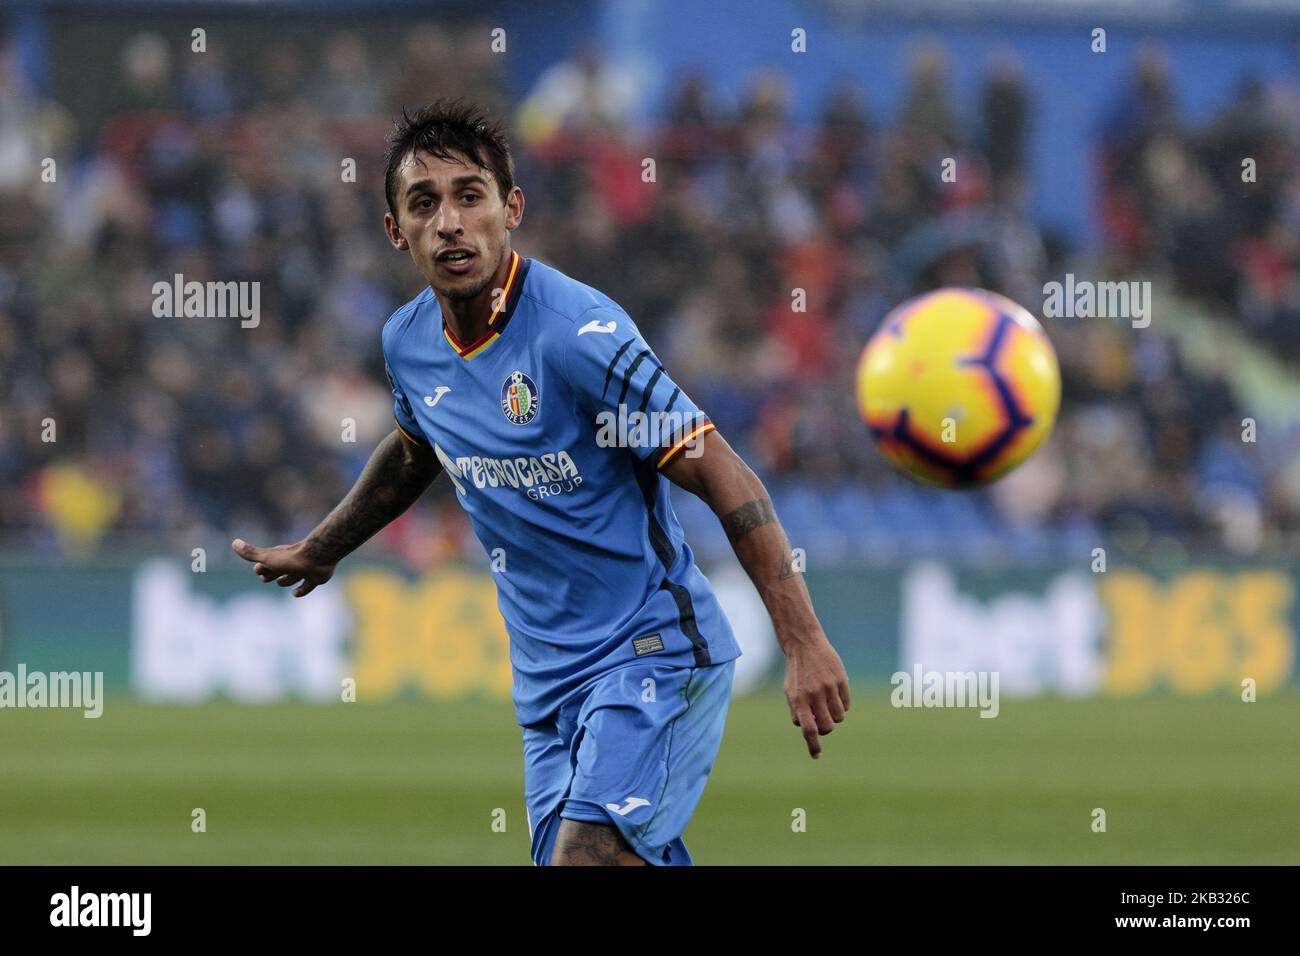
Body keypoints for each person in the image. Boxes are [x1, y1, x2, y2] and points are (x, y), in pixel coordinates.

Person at [232, 98, 850, 866]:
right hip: (549, 690)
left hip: (651, 650)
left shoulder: (577, 334)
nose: (450, 222)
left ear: (511, 208)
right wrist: (323, 548)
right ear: (396, 231)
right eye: (424, 203)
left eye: (470, 196)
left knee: (583, 858)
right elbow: (416, 449)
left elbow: (720, 468)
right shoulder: (408, 343)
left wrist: (803, 639)